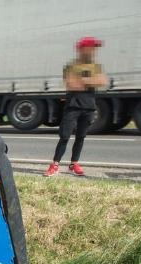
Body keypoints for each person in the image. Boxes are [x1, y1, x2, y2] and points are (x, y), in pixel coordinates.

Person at [45, 36, 108, 177]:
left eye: (94, 48)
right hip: (73, 106)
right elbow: (72, 84)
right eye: (91, 48)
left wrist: (84, 80)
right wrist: (91, 80)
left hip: (89, 106)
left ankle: (74, 164)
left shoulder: (96, 66)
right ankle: (55, 164)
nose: (93, 51)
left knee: (81, 137)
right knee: (65, 136)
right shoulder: (71, 66)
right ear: (81, 49)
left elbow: (102, 81)